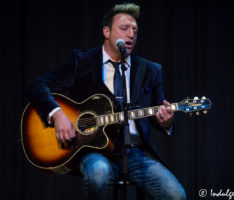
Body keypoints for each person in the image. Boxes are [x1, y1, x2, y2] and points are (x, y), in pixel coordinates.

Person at [26, 3, 186, 200]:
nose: (131, 35)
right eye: (124, 28)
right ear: (106, 31)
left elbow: (158, 116)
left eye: (135, 30)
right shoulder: (82, 61)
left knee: (176, 195)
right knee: (98, 175)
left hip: (135, 153)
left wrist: (166, 121)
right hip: (94, 151)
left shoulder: (150, 70)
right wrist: (57, 115)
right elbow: (36, 86)